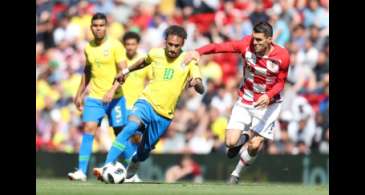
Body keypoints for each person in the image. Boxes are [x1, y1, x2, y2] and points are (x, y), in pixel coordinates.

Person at [92, 25, 205, 182]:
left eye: (176, 46)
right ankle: (106, 165)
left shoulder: (189, 61)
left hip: (165, 115)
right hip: (146, 102)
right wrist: (126, 71)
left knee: (144, 150)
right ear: (165, 41)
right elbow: (143, 62)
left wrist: (196, 83)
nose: (172, 48)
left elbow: (201, 88)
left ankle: (136, 160)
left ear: (182, 44)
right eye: (170, 44)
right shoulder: (156, 53)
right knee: (130, 127)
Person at [184, 21, 290, 184]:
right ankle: (245, 136)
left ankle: (236, 174)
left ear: (270, 39)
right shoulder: (246, 45)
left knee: (255, 145)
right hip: (246, 99)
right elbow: (220, 47)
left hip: (268, 104)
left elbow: (281, 83)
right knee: (230, 142)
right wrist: (198, 51)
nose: (255, 42)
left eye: (259, 40)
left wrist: (268, 95)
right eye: (254, 38)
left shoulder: (282, 56)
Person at [67, 13, 128, 181]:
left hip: (115, 98)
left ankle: (131, 171)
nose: (98, 28)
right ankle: (81, 171)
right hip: (95, 98)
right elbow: (87, 72)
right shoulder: (88, 47)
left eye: (101, 25)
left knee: (121, 132)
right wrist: (79, 93)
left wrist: (112, 90)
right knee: (89, 129)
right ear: (91, 27)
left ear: (106, 27)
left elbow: (124, 72)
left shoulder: (116, 46)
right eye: (95, 26)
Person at [120, 31, 153, 182]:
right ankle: (131, 174)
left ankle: (131, 172)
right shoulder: (119, 60)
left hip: (137, 105)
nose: (130, 47)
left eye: (133, 44)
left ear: (137, 45)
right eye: (127, 44)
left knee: (134, 139)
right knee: (125, 136)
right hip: (120, 104)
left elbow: (151, 81)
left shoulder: (142, 61)